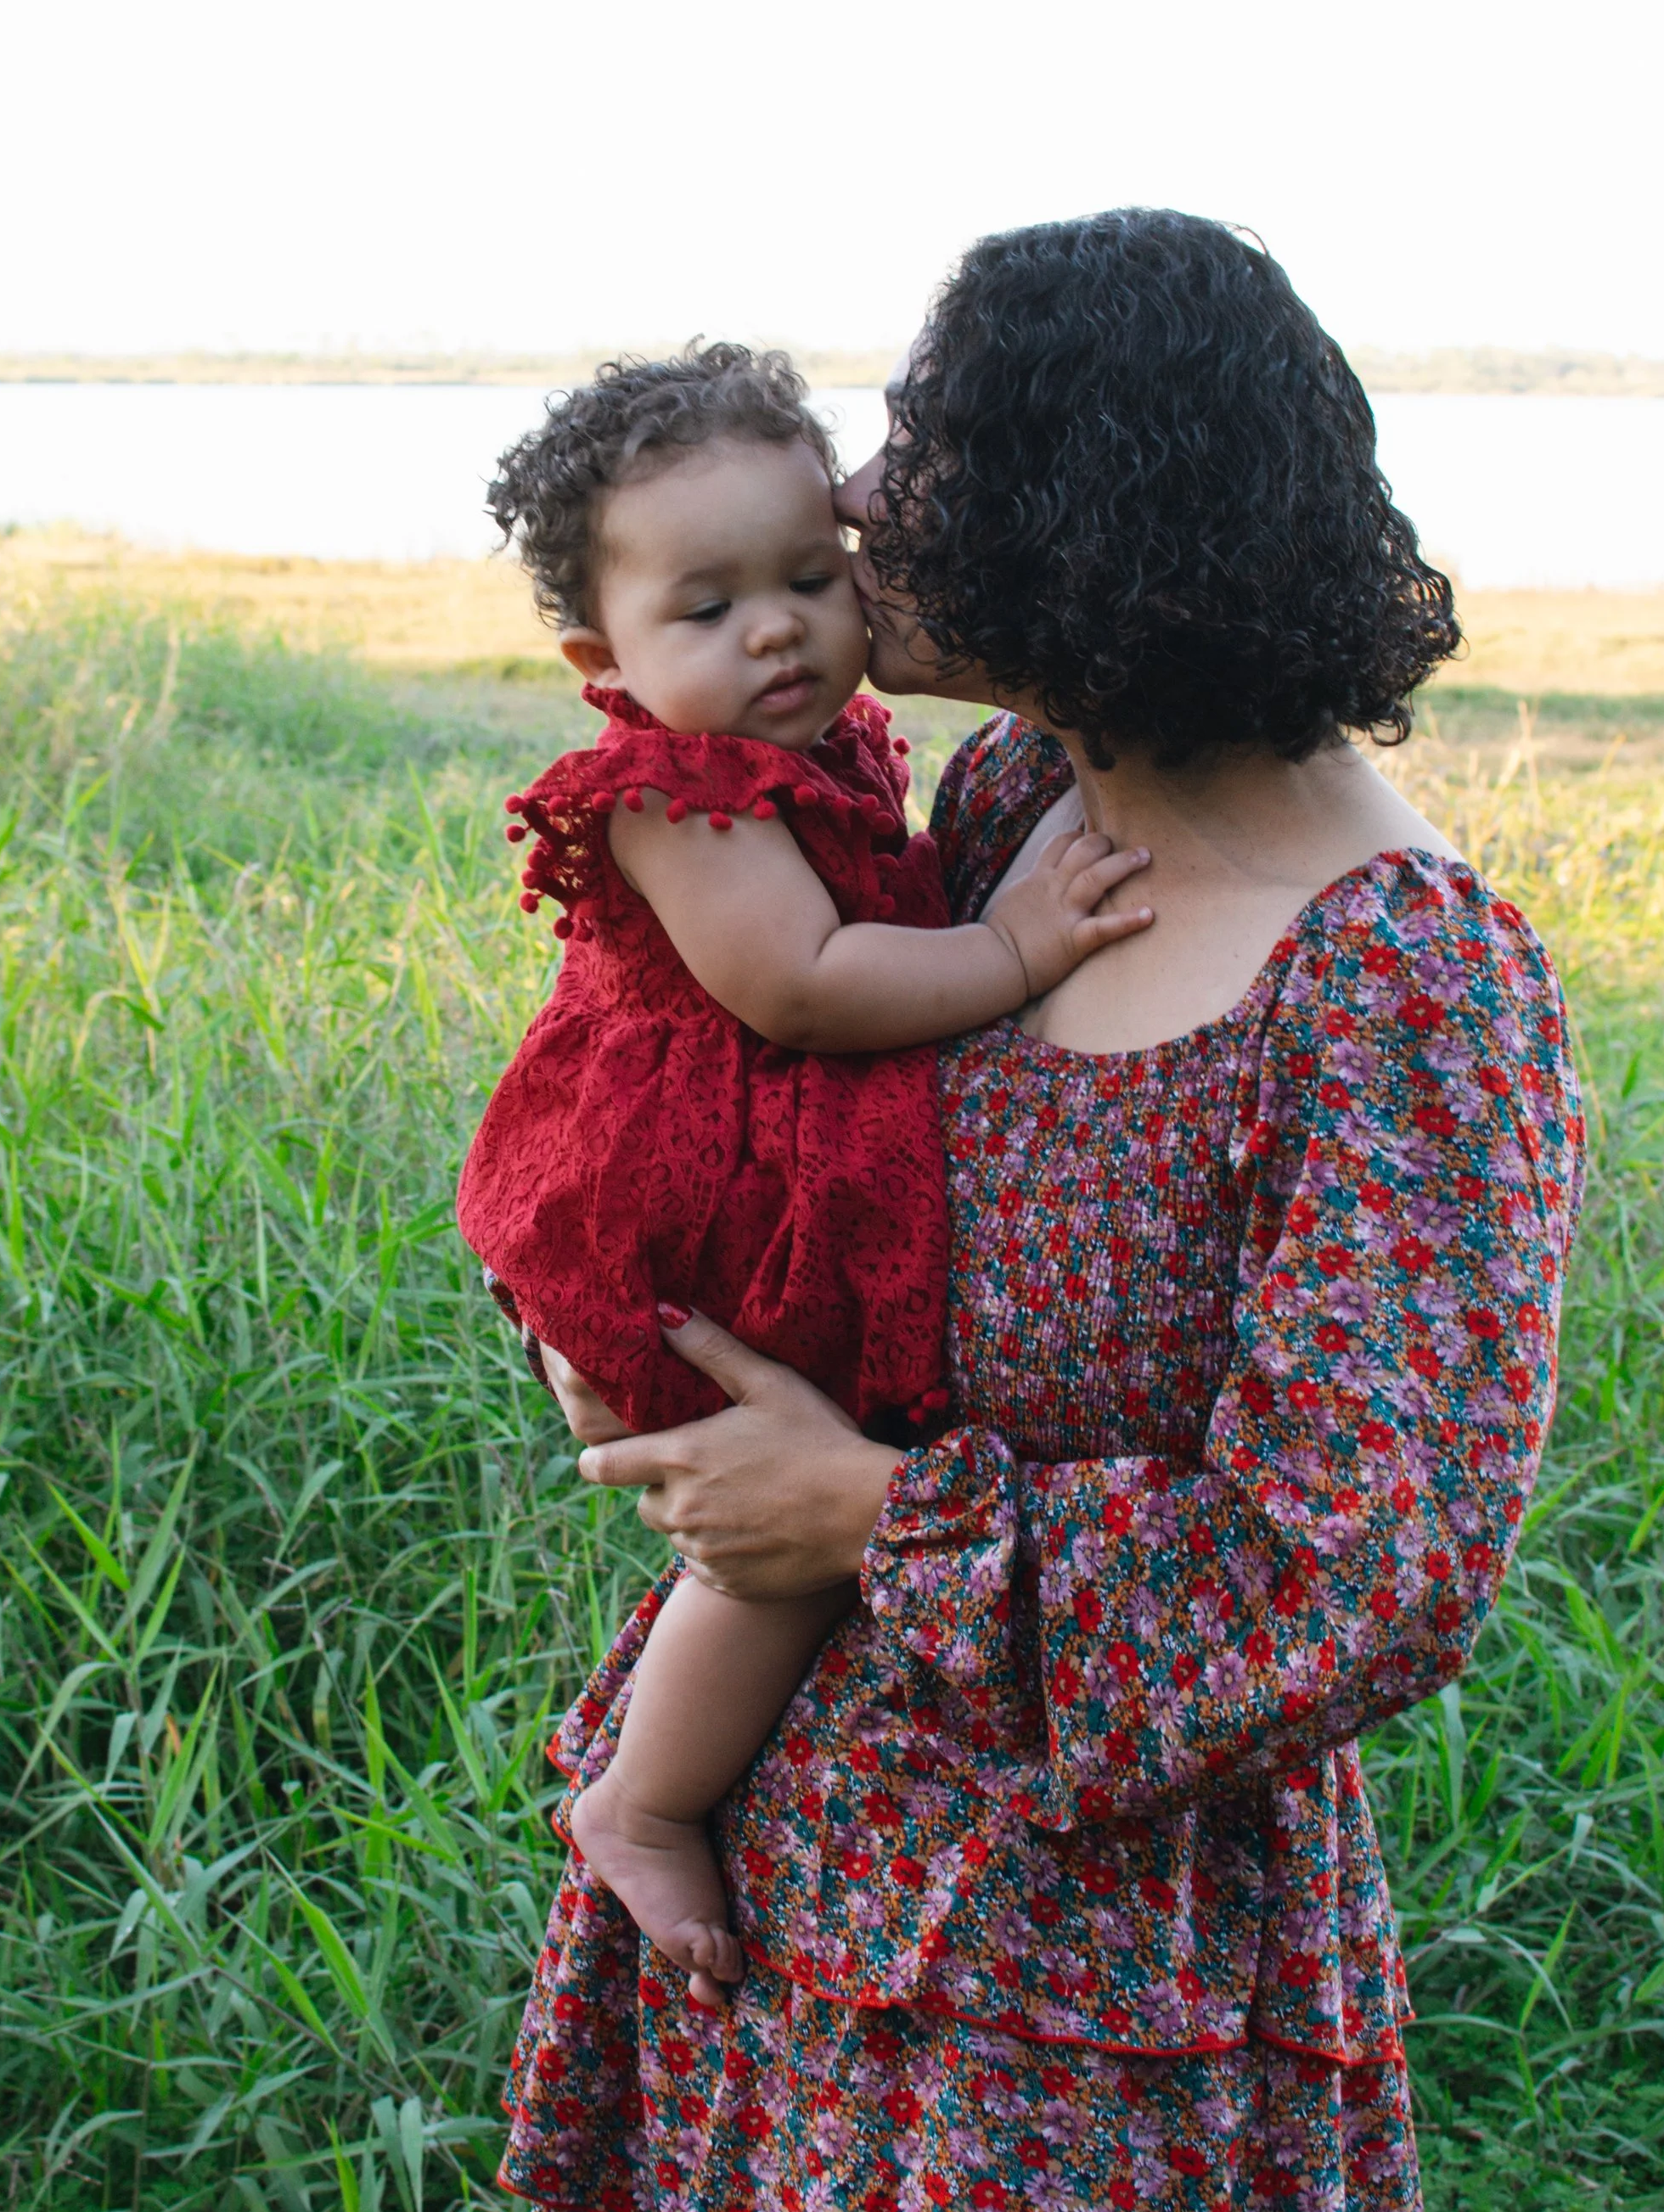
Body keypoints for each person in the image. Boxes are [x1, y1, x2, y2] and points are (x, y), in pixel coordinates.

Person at [481, 214, 1586, 2212]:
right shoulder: (996, 808)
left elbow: (1353, 1580)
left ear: (1096, 503)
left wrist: (865, 1514)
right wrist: (612, 1295)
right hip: (804, 1878)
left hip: (1093, 1975)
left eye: (931, 445)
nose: (874, 507)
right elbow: (747, 1097)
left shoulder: (1398, 983)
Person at [459, 346, 1152, 2003]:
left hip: (766, 1196)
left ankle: (673, 1774)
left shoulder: (827, 743)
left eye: (803, 577)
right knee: (766, 1551)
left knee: (802, 1515)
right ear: (597, 657)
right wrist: (1007, 944)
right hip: (679, 1225)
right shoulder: (671, 793)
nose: (772, 628)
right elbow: (804, 983)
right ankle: (639, 1799)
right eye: (704, 608)